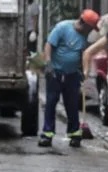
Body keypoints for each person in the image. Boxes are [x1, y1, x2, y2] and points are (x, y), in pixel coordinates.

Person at [39, 9, 100, 148]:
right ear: (83, 23)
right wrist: (48, 64)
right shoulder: (63, 27)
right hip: (56, 73)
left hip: (72, 74)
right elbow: (49, 44)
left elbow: (85, 53)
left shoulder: (86, 36)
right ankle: (47, 134)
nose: (91, 31)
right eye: (91, 28)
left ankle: (74, 134)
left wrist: (84, 71)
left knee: (72, 104)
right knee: (51, 102)